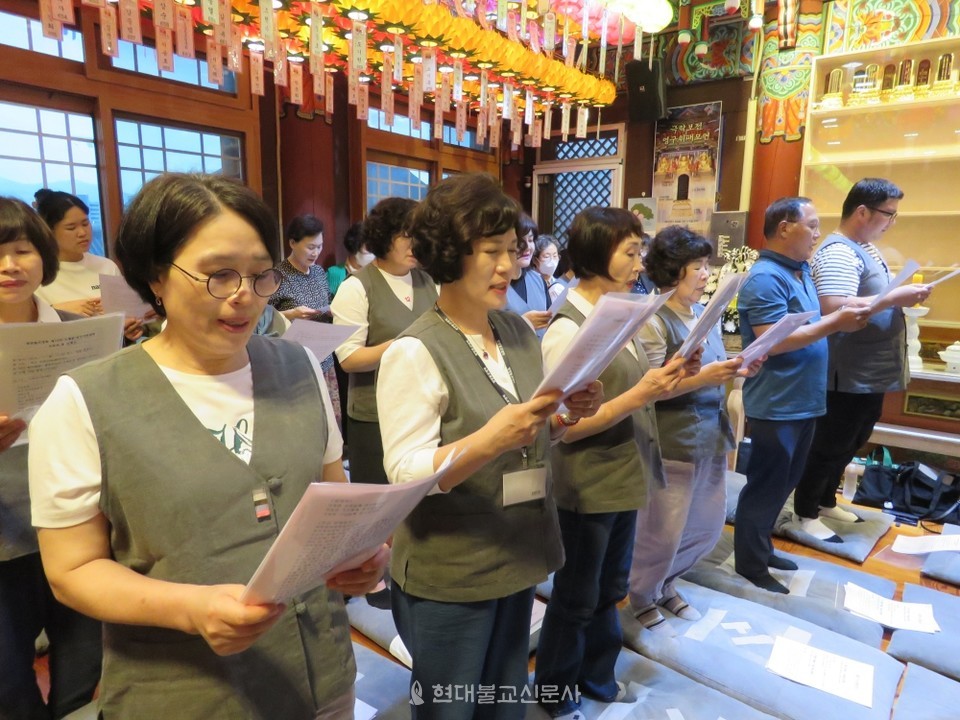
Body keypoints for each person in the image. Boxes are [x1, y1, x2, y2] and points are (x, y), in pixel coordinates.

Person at [29, 173, 388, 718]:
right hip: (185, 692)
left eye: (260, 274)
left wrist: (357, 554)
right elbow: (71, 571)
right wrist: (190, 608)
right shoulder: (84, 400)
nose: (244, 296)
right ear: (156, 274)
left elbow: (329, 498)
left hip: (321, 676)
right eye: (219, 274)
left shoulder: (298, 367)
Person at [376, 174, 602, 720]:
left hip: (518, 548)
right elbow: (404, 474)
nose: (509, 266)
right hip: (452, 566)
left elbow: (534, 429)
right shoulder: (413, 351)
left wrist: (568, 414)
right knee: (450, 705)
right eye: (492, 252)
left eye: (513, 250)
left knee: (503, 697)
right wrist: (485, 440)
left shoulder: (519, 333)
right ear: (450, 255)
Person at [534, 208, 687, 720]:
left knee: (609, 591)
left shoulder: (618, 311)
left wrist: (686, 377)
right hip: (587, 482)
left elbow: (637, 387)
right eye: (630, 250)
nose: (639, 259)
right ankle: (555, 692)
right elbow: (562, 426)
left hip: (622, 474)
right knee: (576, 596)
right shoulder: (567, 327)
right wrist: (640, 393)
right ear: (598, 254)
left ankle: (597, 676)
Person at [628, 226, 761, 632]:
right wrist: (706, 377)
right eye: (698, 267)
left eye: (707, 266)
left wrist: (740, 367)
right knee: (661, 532)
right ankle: (641, 595)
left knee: (705, 525)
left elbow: (712, 370)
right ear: (672, 271)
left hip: (710, 435)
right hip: (673, 440)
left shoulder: (706, 314)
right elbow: (646, 390)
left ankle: (668, 583)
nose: (706, 274)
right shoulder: (653, 319)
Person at [734, 197, 869, 594]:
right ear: (784, 228)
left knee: (786, 482)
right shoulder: (765, 277)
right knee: (766, 483)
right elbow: (772, 341)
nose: (817, 233)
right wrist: (833, 324)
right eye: (811, 225)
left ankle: (762, 546)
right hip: (777, 402)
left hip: (804, 399)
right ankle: (751, 563)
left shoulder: (801, 270)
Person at [0, 197, 101, 720]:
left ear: (43, 255)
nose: (9, 266)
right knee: (9, 686)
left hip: (77, 525)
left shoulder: (74, 331)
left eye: (21, 250)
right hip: (3, 539)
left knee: (83, 673)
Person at [793, 179, 931, 539]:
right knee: (829, 443)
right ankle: (804, 513)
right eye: (889, 214)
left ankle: (824, 502)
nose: (891, 222)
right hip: (846, 372)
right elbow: (833, 307)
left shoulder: (864, 247)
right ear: (862, 212)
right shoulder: (839, 251)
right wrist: (893, 298)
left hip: (868, 372)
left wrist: (896, 297)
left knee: (852, 440)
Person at [332, 197, 436, 485]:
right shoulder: (356, 288)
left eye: (420, 235)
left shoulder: (429, 281)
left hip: (424, 410)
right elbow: (349, 359)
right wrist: (402, 345)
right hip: (375, 417)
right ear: (384, 236)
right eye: (406, 235)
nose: (414, 244)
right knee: (379, 508)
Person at [33, 189, 145, 342]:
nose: (82, 232)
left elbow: (126, 316)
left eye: (85, 224)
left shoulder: (106, 266)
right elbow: (29, 329)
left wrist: (129, 327)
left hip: (111, 350)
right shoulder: (38, 274)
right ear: (49, 231)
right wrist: (57, 312)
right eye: (71, 228)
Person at [269, 214, 340, 427]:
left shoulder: (319, 272)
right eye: (310, 247)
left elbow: (327, 301)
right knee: (306, 424)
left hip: (324, 358)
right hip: (295, 362)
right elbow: (261, 318)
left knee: (330, 423)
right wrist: (291, 314)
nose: (316, 253)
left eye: (319, 246)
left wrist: (331, 311)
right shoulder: (277, 275)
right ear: (292, 243)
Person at [506, 213, 552, 334]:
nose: (528, 247)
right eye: (520, 241)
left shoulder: (538, 280)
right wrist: (524, 323)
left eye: (531, 240)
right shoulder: (493, 285)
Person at [327, 222, 372, 298]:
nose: (373, 254)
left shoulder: (376, 273)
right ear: (355, 247)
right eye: (368, 248)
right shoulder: (334, 273)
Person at [532, 234, 564, 303]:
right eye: (547, 257)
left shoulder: (558, 285)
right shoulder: (530, 282)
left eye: (555, 256)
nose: (552, 261)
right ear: (535, 260)